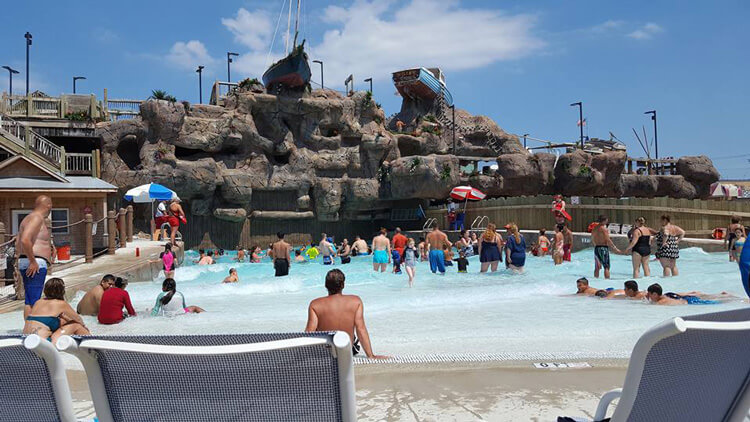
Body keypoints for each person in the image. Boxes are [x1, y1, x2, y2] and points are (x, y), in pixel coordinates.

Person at [305, 269, 387, 359]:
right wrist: (371, 355)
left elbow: (309, 333)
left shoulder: (315, 304)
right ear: (343, 285)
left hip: (325, 352)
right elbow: (361, 329)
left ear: (325, 285)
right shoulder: (356, 301)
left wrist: (308, 357)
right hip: (346, 350)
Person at [15, 195, 53, 319]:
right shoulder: (36, 218)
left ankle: (29, 328)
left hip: (29, 260)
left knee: (30, 298)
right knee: (34, 300)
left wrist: (50, 248)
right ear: (48, 205)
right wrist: (32, 261)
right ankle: (31, 329)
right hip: (34, 262)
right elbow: (25, 240)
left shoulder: (28, 218)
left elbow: (18, 241)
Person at [24, 278, 90, 343]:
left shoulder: (38, 302)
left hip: (26, 341)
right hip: (44, 344)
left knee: (61, 322)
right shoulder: (61, 303)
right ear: (61, 291)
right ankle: (91, 343)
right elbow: (78, 320)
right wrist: (84, 329)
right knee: (76, 325)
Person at [591, 215, 621, 279]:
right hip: (603, 248)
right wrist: (615, 248)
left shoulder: (594, 228)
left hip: (597, 247)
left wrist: (596, 245)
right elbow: (608, 239)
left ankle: (595, 279)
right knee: (606, 266)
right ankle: (607, 281)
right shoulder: (603, 229)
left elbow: (592, 238)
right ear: (604, 220)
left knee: (597, 266)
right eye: (607, 220)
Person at [646, 283, 724, 306]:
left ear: (655, 294)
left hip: (691, 302)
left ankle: (729, 299)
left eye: (649, 294)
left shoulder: (661, 302)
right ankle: (721, 295)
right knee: (711, 299)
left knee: (718, 303)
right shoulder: (665, 295)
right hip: (688, 298)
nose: (648, 296)